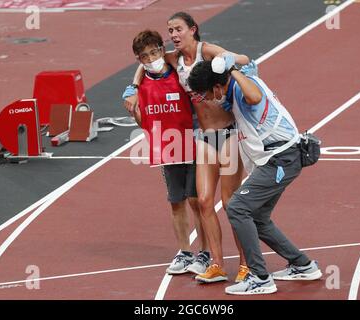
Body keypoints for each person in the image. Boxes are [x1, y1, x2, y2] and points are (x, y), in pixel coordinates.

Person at [123, 12, 257, 283]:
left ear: (193, 29)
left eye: (178, 29)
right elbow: (142, 66)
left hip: (228, 135)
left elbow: (243, 59)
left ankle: (247, 265)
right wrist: (134, 87)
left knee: (231, 204)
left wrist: (233, 62)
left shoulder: (207, 51)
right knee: (204, 201)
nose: (173, 34)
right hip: (203, 138)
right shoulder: (171, 59)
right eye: (170, 29)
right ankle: (217, 264)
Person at [188, 58, 322, 295]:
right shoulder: (231, 88)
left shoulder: (242, 86)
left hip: (282, 158)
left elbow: (256, 97)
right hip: (276, 159)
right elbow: (238, 59)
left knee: (238, 207)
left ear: (217, 87)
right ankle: (303, 265)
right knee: (258, 217)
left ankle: (259, 277)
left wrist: (232, 70)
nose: (204, 100)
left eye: (205, 94)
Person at [126, 29, 210, 275]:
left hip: (193, 141)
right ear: (139, 60)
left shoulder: (179, 72)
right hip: (167, 148)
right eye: (145, 56)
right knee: (176, 202)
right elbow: (145, 123)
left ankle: (204, 253)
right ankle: (185, 252)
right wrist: (134, 108)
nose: (151, 58)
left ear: (162, 50)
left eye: (154, 52)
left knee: (196, 200)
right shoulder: (138, 88)